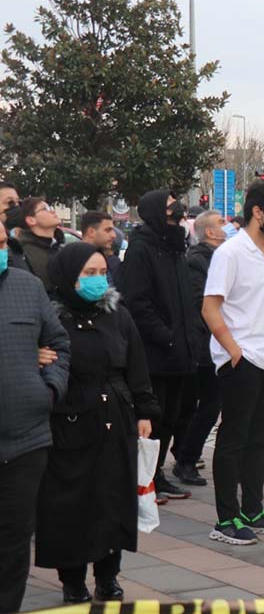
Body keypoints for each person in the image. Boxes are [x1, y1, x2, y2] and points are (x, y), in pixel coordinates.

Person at [37, 244, 159, 604]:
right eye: (88, 274)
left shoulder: (117, 314)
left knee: (112, 499)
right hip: (70, 419)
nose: (97, 281)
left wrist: (144, 411)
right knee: (71, 502)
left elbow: (136, 364)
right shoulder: (48, 317)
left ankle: (108, 575)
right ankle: (72, 579)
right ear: (67, 276)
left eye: (101, 273)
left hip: (115, 417)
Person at [202, 183, 264, 545]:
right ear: (258, 212)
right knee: (233, 439)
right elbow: (210, 307)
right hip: (243, 358)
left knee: (259, 439)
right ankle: (226, 518)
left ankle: (254, 510)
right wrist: (233, 351)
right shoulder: (231, 253)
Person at [0, 227, 70, 612]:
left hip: (26, 438)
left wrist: (49, 390)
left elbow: (59, 343)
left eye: (1, 244)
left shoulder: (27, 287)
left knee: (13, 540)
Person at [119, 191, 203, 503]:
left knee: (172, 416)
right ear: (156, 212)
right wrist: (166, 335)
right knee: (152, 418)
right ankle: (142, 478)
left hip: (181, 351)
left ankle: (156, 474)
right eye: (170, 206)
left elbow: (186, 300)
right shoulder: (142, 249)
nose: (177, 210)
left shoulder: (175, 246)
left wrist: (189, 335)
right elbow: (136, 302)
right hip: (156, 353)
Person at [172, 211, 225, 487]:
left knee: (205, 406)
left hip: (216, 344)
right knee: (207, 406)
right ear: (209, 232)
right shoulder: (198, 261)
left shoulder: (217, 257)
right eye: (221, 224)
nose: (227, 228)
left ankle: (185, 456)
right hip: (206, 347)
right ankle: (186, 460)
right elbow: (200, 305)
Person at [18, 196, 62, 290]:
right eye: (45, 209)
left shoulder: (58, 247)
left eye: (50, 207)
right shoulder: (24, 253)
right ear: (31, 220)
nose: (52, 211)